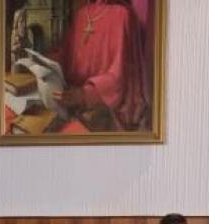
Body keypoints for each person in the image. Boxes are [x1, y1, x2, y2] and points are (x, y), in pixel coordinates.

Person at [50, 0, 150, 131]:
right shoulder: (80, 14)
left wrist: (85, 94)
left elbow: (119, 77)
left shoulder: (123, 15)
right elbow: (66, 56)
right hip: (71, 97)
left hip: (106, 106)